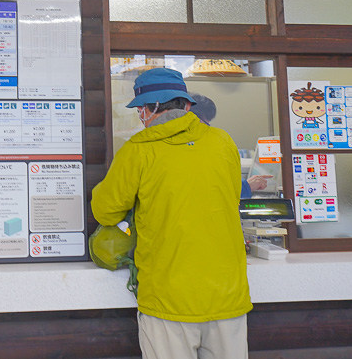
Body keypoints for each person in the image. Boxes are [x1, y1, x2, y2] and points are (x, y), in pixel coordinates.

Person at [91, 68, 251, 359]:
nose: (141, 116)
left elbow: (105, 211)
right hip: (228, 294)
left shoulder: (137, 151)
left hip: (168, 297)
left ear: (151, 108)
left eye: (141, 110)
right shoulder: (223, 142)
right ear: (187, 105)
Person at [190, 92, 271, 198]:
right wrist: (246, 187)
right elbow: (210, 190)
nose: (207, 129)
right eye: (206, 123)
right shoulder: (216, 142)